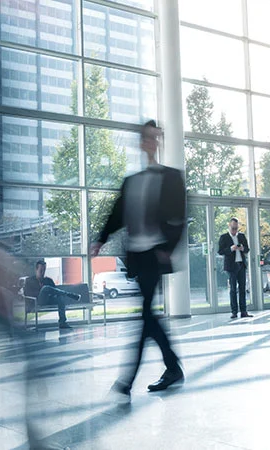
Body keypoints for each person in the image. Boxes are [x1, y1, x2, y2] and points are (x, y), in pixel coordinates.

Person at [91, 120, 186, 402]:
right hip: (138, 255)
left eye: (155, 138)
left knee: (146, 314)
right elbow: (116, 213)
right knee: (148, 316)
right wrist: (100, 239)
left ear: (159, 142)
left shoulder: (171, 178)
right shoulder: (131, 182)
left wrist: (168, 247)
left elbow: (179, 217)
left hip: (155, 254)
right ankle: (172, 367)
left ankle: (126, 381)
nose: (150, 143)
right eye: (146, 138)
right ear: (141, 143)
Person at [22, 260, 76, 329]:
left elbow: (56, 291)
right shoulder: (29, 280)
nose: (43, 273)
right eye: (41, 270)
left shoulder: (48, 280)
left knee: (60, 296)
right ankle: (69, 294)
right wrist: (41, 291)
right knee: (45, 288)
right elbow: (26, 293)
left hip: (48, 300)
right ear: (36, 269)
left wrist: (48, 294)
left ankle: (62, 322)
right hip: (36, 301)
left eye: (44, 270)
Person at [218, 218, 253, 319]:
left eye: (236, 228)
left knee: (242, 289)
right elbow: (220, 251)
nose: (234, 230)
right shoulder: (224, 237)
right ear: (229, 226)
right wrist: (230, 249)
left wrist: (242, 248)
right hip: (231, 266)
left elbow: (247, 249)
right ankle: (234, 312)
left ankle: (243, 311)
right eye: (233, 228)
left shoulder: (241, 236)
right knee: (233, 289)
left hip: (241, 265)